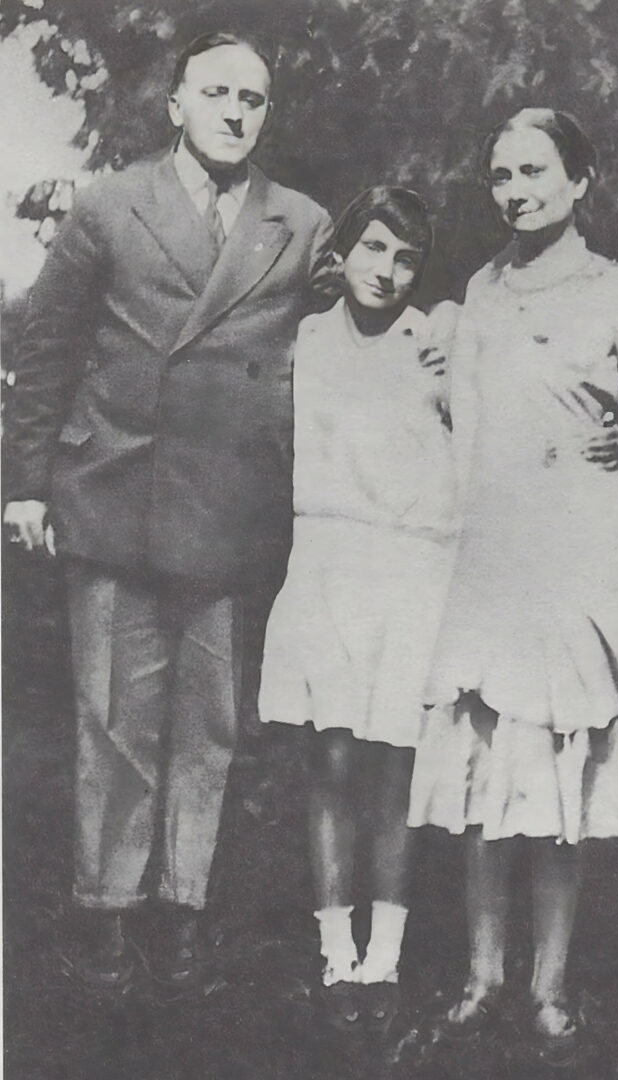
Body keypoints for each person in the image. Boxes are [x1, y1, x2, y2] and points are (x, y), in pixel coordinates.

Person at [2, 29, 331, 994]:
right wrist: (25, 482)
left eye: (255, 98)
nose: (236, 111)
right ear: (176, 105)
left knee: (210, 726)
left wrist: (432, 347)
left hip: (232, 513)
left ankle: (182, 906)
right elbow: (49, 347)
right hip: (114, 493)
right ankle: (107, 913)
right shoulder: (110, 203)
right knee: (114, 718)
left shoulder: (301, 223)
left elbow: (361, 327)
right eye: (218, 92)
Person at [408, 108, 618, 1057]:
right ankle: (482, 974)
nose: (516, 190)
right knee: (487, 763)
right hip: (490, 555)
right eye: (500, 174)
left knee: (559, 768)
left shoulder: (616, 290)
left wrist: (617, 484)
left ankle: (549, 987)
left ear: (581, 181)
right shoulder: (480, 291)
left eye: (535, 171)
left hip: (575, 556)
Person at [257, 186, 461, 1031]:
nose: (389, 270)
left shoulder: (439, 341)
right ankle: (336, 948)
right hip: (330, 563)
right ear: (342, 254)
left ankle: (388, 956)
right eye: (374, 248)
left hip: (415, 569)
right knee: (333, 759)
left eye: (407, 256)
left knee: (395, 769)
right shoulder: (302, 338)